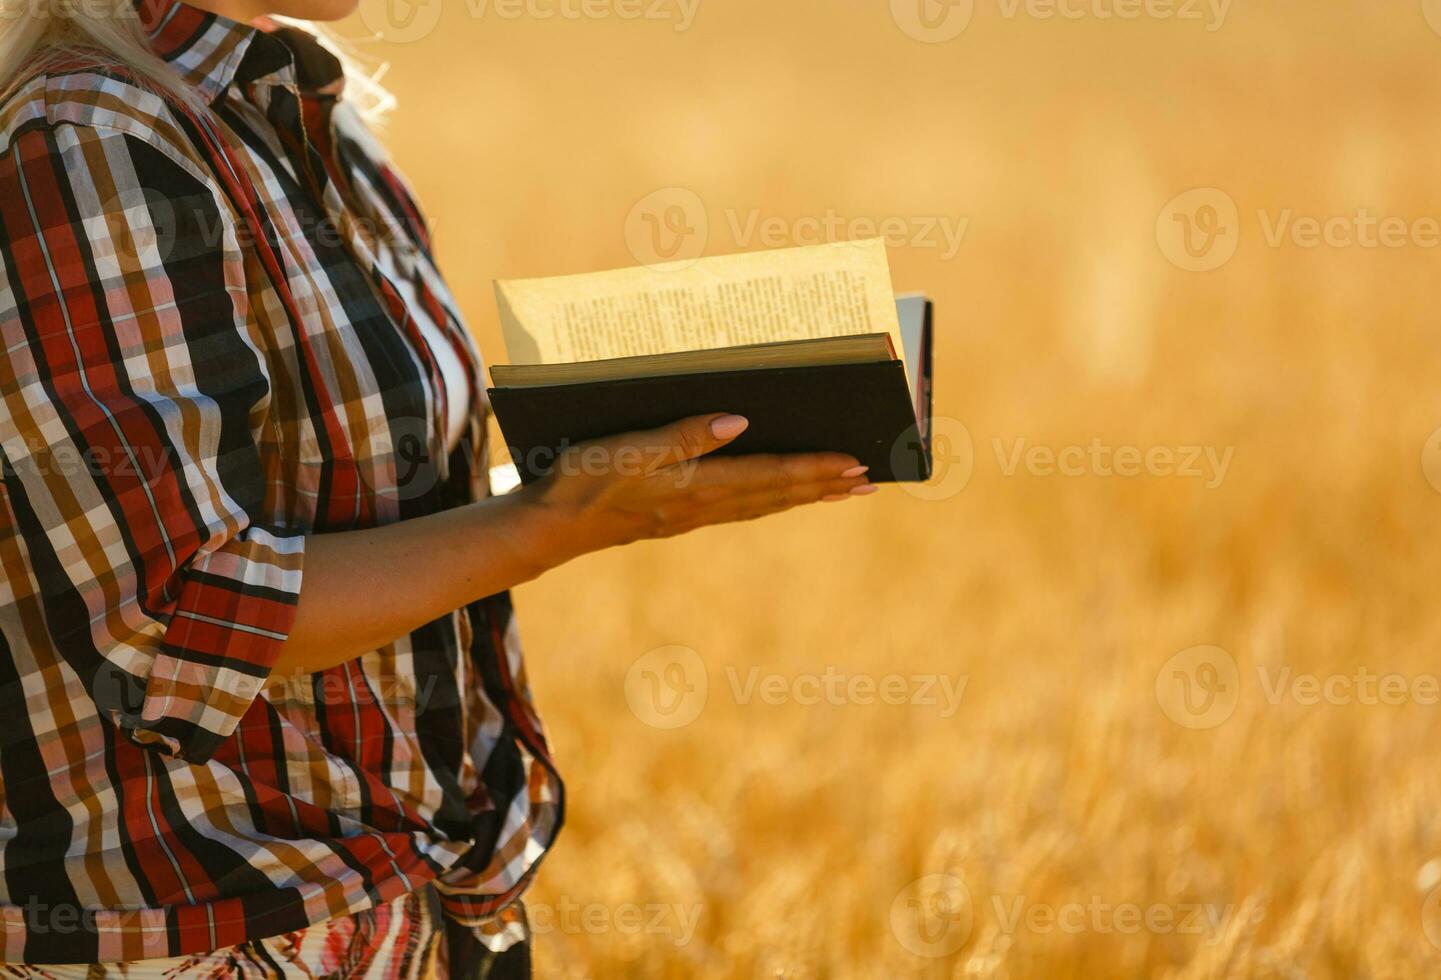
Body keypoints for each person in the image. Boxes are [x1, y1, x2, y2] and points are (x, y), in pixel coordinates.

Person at [0, 0, 879, 973]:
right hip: (217, 931)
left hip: (432, 901)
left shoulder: (298, 104)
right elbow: (180, 621)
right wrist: (553, 522)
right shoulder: (86, 139)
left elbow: (380, 502)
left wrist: (622, 483)